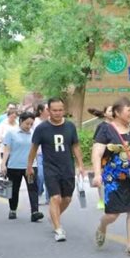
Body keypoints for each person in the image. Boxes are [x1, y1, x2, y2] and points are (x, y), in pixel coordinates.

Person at [91, 97, 130, 258]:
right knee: (112, 214)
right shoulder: (106, 130)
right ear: (117, 112)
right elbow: (97, 153)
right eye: (128, 110)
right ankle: (102, 225)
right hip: (112, 178)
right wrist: (97, 174)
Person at [28, 98, 83, 242]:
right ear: (48, 111)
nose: (58, 113)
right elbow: (33, 148)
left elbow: (75, 146)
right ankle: (58, 229)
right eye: (54, 110)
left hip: (67, 167)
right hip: (50, 167)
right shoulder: (42, 128)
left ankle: (54, 215)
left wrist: (81, 165)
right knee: (55, 198)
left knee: (67, 199)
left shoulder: (70, 126)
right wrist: (29, 166)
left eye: (60, 110)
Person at [1, 112, 43, 222]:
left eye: (31, 124)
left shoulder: (34, 133)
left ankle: (35, 212)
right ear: (20, 121)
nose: (29, 126)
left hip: (30, 167)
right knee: (14, 189)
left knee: (33, 188)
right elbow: (7, 150)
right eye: (27, 123)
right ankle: (13, 209)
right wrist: (3, 164)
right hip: (14, 166)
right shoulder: (11, 133)